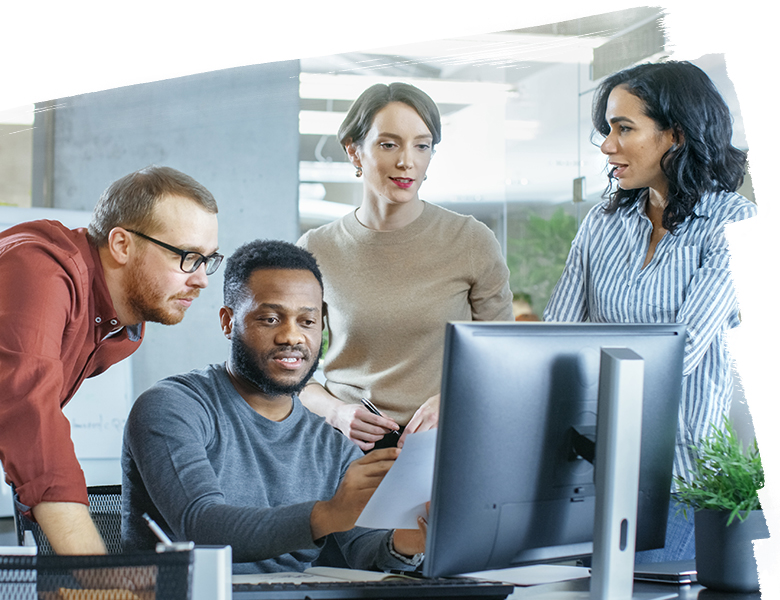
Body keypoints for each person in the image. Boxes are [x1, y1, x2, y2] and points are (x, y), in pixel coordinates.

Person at [544, 61, 757, 562]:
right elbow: (554, 338)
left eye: (624, 129)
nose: (606, 146)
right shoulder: (603, 221)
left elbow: (674, 355)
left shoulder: (734, 223)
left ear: (675, 135)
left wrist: (581, 358)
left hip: (679, 480)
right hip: (587, 469)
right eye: (606, 129)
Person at [121, 240, 426, 574]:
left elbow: (363, 551)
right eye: (269, 319)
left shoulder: (333, 447)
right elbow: (201, 526)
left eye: (307, 322)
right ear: (227, 322)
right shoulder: (172, 407)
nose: (291, 337)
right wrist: (327, 514)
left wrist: (410, 540)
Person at [0, 165, 221, 555]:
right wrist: (98, 578)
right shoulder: (40, 270)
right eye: (187, 257)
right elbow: (30, 413)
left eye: (208, 259)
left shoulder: (118, 331)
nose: (202, 279)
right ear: (121, 244)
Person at [298, 82, 513, 451]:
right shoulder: (315, 249)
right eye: (388, 144)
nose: (407, 161)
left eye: (422, 145)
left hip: (443, 444)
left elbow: (504, 356)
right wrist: (336, 412)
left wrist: (451, 401)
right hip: (344, 448)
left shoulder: (471, 240)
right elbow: (291, 371)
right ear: (354, 150)